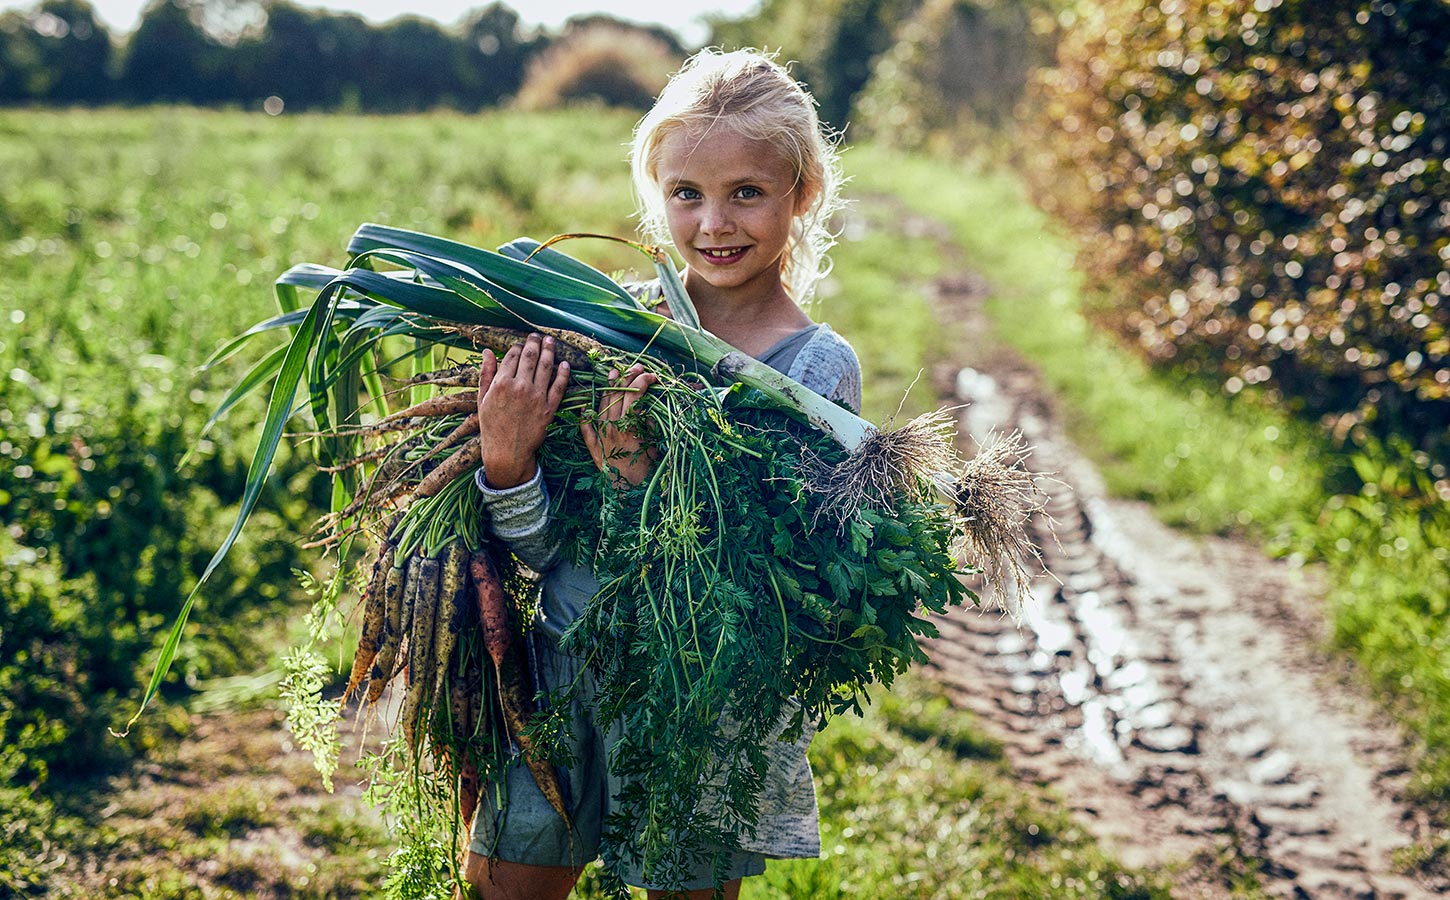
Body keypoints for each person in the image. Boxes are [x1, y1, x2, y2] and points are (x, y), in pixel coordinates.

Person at [461, 47, 862, 900]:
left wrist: (643, 488)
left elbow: (775, 582)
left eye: (745, 192)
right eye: (687, 194)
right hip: (563, 668)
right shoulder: (605, 329)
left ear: (802, 194)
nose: (714, 224)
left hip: (703, 701)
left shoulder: (815, 374)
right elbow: (541, 552)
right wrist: (508, 458)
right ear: (657, 197)